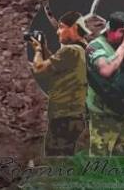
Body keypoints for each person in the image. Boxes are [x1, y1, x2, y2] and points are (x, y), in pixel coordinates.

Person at [85, 10, 124, 156]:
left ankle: (121, 178)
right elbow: (106, 70)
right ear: (110, 30)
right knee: (100, 155)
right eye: (122, 31)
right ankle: (97, 178)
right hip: (104, 112)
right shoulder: (94, 47)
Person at [28, 11, 88, 156]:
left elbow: (39, 68)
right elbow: (54, 68)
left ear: (73, 28)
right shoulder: (82, 49)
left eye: (61, 27)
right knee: (66, 156)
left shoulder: (70, 51)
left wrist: (37, 50)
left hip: (64, 115)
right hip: (74, 114)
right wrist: (44, 49)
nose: (57, 31)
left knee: (56, 160)